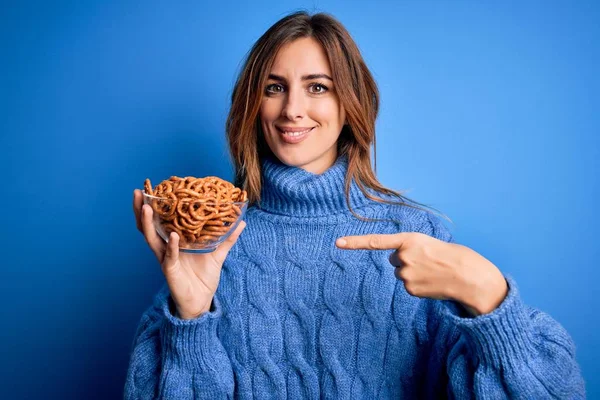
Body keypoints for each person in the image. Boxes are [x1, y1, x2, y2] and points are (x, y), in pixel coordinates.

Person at [125, 11, 585, 399]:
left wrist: (488, 296)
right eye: (274, 87)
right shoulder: (214, 240)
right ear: (253, 103)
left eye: (318, 87)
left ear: (350, 102)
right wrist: (190, 320)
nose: (292, 110)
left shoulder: (415, 234)